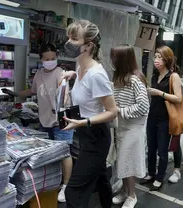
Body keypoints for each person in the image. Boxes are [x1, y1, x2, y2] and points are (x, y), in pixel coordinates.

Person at [1, 43, 73, 202]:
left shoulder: (60, 73)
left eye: (53, 58)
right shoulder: (39, 74)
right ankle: (51, 182)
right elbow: (32, 91)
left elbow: (65, 94)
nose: (50, 61)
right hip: (45, 119)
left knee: (64, 152)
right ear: (41, 59)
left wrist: (61, 109)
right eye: (47, 59)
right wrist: (15, 93)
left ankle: (66, 187)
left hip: (62, 118)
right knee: (47, 153)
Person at [60, 19, 117, 208]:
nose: (69, 42)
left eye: (74, 39)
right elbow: (87, 88)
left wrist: (83, 123)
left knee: (73, 191)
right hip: (85, 133)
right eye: (69, 36)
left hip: (96, 136)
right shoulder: (80, 65)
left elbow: (112, 112)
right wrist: (74, 75)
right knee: (101, 179)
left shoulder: (97, 74)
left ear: (89, 45)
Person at [110, 44, 149, 208]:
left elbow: (143, 106)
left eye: (114, 57)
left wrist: (120, 110)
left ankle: (132, 195)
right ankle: (125, 191)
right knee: (123, 162)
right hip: (122, 128)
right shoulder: (119, 78)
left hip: (133, 129)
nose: (112, 60)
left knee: (128, 163)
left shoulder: (134, 80)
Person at [141, 46, 183, 189]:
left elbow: (178, 98)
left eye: (160, 57)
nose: (156, 60)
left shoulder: (173, 76)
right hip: (152, 116)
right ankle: (151, 173)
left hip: (166, 119)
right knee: (151, 148)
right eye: (156, 57)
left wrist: (159, 93)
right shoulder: (154, 76)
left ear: (167, 59)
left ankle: (160, 177)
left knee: (162, 150)